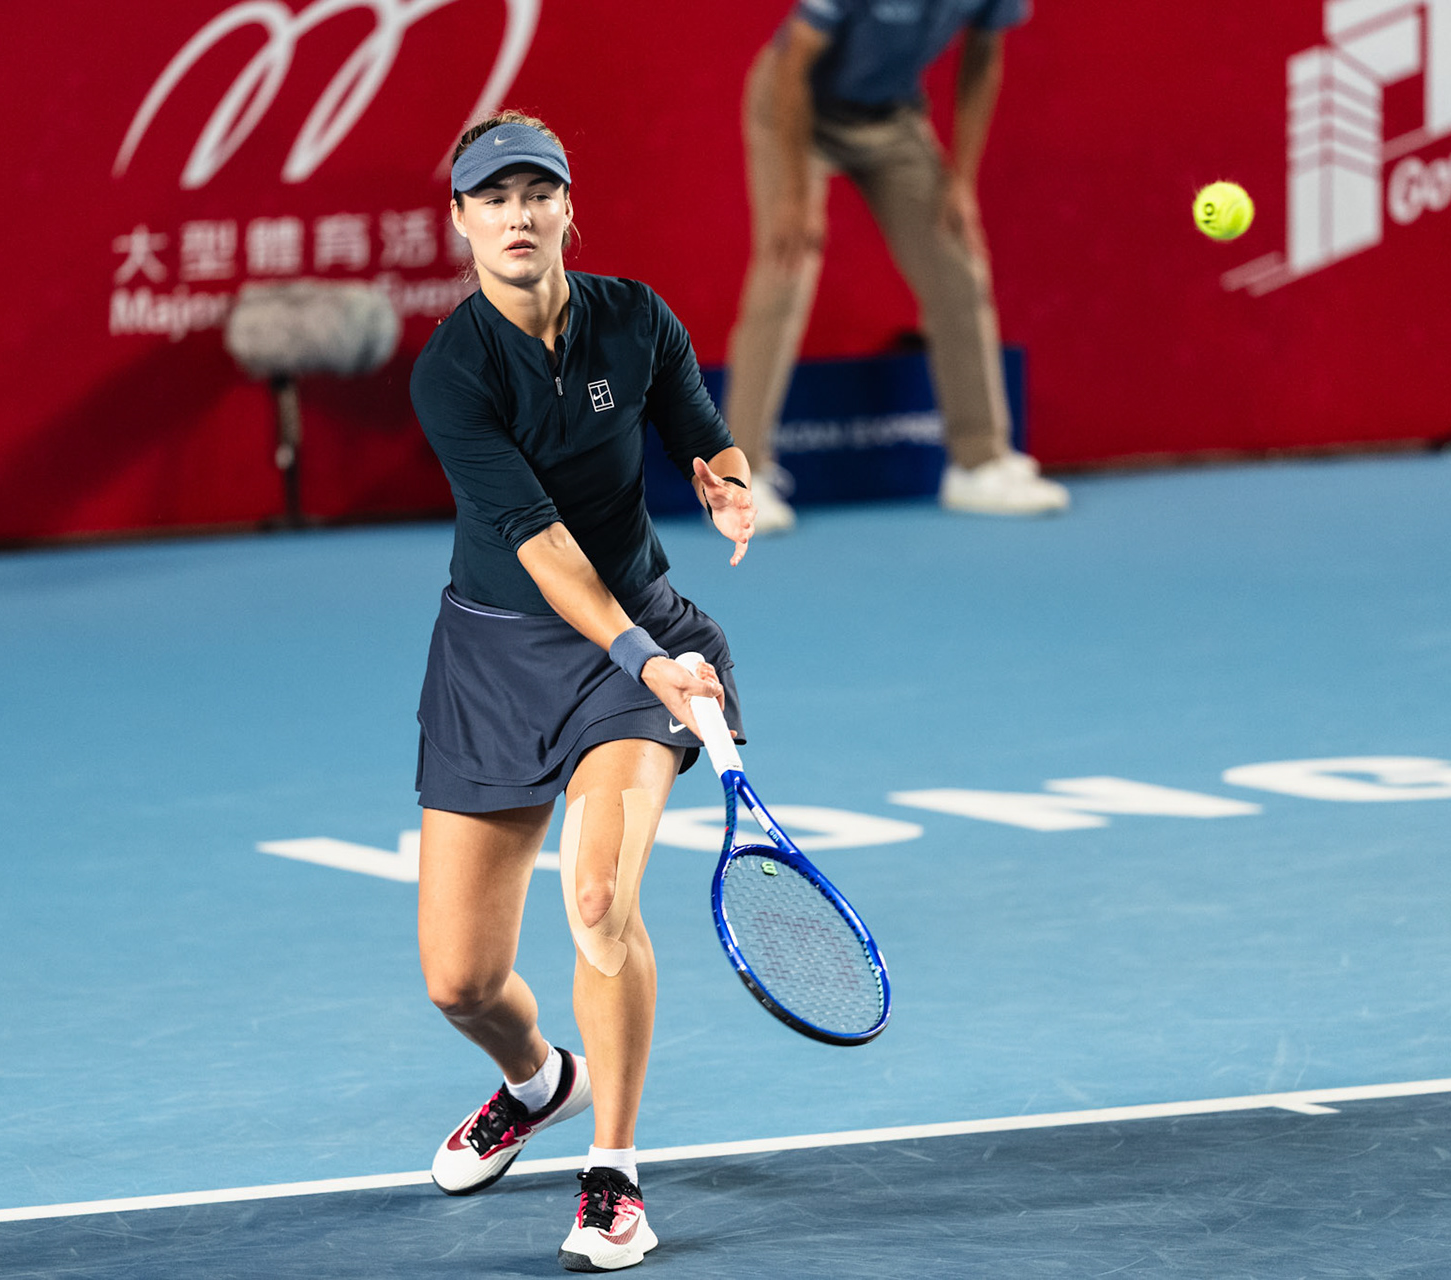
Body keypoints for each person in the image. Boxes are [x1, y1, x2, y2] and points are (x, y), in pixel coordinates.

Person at [408, 111, 756, 1274]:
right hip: (501, 658)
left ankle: (614, 1172)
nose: (517, 215)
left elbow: (700, 432)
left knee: (599, 895)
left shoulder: (634, 317)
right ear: (459, 222)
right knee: (459, 977)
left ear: (568, 208)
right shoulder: (453, 370)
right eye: (491, 198)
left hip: (641, 642)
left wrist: (729, 481)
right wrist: (634, 655)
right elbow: (543, 546)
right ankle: (537, 1079)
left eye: (535, 193)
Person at [724, 0, 1069, 530]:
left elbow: (984, 57)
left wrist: (962, 183)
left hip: (892, 117)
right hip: (797, 108)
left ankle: (979, 464)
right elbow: (795, 62)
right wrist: (794, 195)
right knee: (787, 269)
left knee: (957, 268)